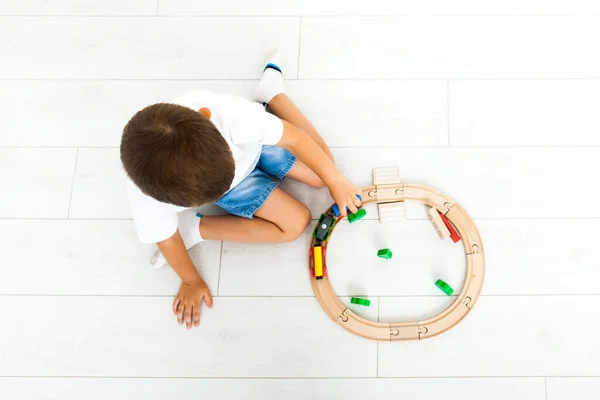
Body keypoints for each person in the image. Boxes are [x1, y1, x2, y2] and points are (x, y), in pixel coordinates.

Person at [120, 51, 362, 329]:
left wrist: (336, 181)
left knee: (324, 170)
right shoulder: (144, 196)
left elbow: (294, 137)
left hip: (257, 145)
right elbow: (166, 240)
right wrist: (191, 280)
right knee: (295, 224)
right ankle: (195, 228)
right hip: (235, 187)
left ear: (207, 118)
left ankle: (272, 96)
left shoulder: (229, 114)